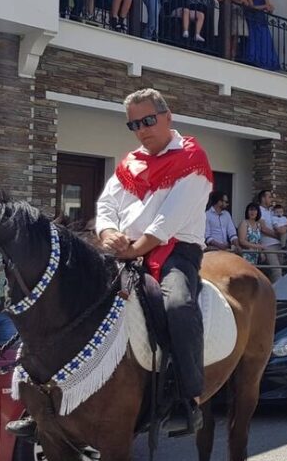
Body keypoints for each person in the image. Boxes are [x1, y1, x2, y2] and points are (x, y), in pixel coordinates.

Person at [20, 88, 210, 437]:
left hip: (173, 252)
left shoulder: (192, 158)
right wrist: (107, 233)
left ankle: (188, 396)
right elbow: (106, 205)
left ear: (168, 117)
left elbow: (170, 219)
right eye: (134, 124)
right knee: (63, 301)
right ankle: (38, 401)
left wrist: (136, 248)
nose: (142, 129)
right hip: (122, 249)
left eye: (148, 120)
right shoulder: (130, 162)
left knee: (180, 306)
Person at [241, 0, 280, 70]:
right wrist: (265, 6)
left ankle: (266, 62)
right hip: (252, 20)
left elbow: (268, 11)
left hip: (262, 20)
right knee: (254, 39)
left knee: (265, 40)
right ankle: (253, 59)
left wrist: (271, 9)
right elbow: (251, 7)